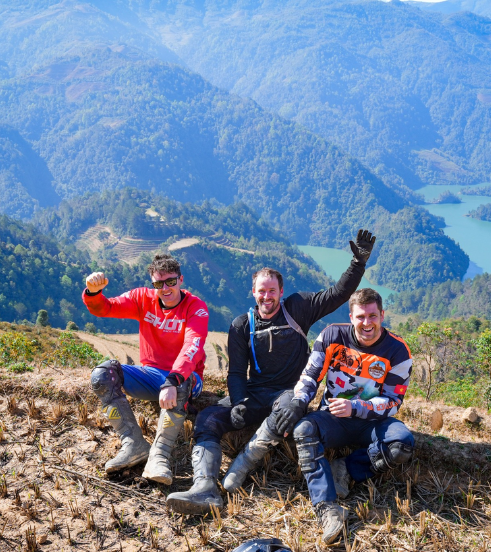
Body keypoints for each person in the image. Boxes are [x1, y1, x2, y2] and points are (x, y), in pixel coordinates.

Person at [165, 230, 376, 515]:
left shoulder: (298, 309)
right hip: (254, 393)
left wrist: (358, 263)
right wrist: (239, 402)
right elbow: (237, 372)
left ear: (281, 292)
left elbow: (337, 295)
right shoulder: (241, 325)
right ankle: (204, 488)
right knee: (207, 417)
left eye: (272, 291)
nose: (267, 297)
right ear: (253, 292)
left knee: (288, 409)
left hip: (289, 393)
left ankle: (240, 466)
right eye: (261, 291)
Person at [276, 288, 414, 544]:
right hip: (332, 419)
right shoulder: (332, 335)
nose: (367, 323)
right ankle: (327, 509)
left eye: (372, 316)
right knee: (304, 431)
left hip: (373, 423)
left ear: (382, 315)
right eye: (360, 317)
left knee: (402, 444)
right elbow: (311, 375)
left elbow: (394, 402)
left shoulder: (398, 351)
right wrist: (299, 402)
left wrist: (357, 408)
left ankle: (347, 469)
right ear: (351, 317)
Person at [82, 254, 209, 483]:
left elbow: (193, 346)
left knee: (181, 383)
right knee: (102, 375)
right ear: (153, 285)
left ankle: (158, 456)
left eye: (170, 281)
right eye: (158, 284)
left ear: (181, 280)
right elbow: (106, 308)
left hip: (187, 377)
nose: (165, 288)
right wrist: (93, 292)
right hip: (150, 374)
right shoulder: (142, 298)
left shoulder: (196, 307)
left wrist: (173, 379)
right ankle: (133, 444)